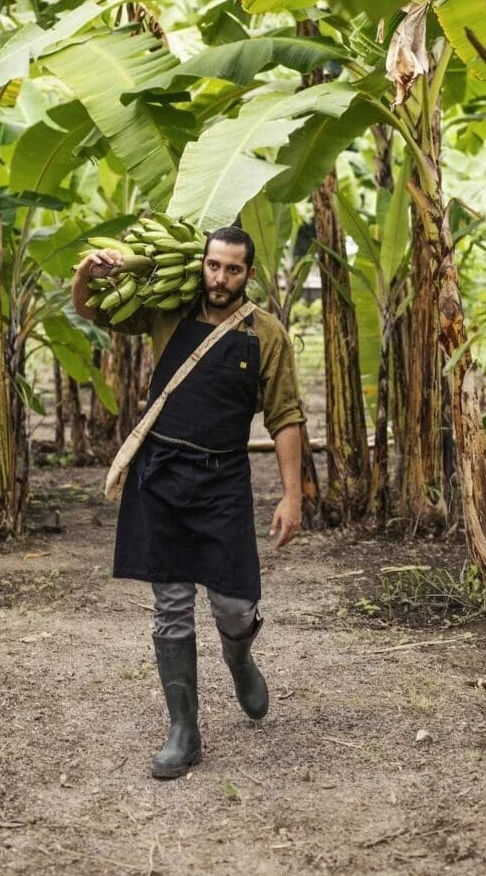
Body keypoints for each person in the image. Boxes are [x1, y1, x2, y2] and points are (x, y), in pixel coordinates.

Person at [72, 225, 304, 780]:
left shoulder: (266, 334)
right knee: (170, 603)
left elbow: (286, 417)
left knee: (233, 605)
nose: (219, 278)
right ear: (201, 263)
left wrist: (292, 495)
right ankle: (184, 729)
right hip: (160, 474)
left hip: (222, 479)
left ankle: (239, 655)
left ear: (249, 274)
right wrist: (86, 275)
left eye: (232, 269)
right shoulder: (167, 311)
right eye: (213, 266)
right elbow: (94, 314)